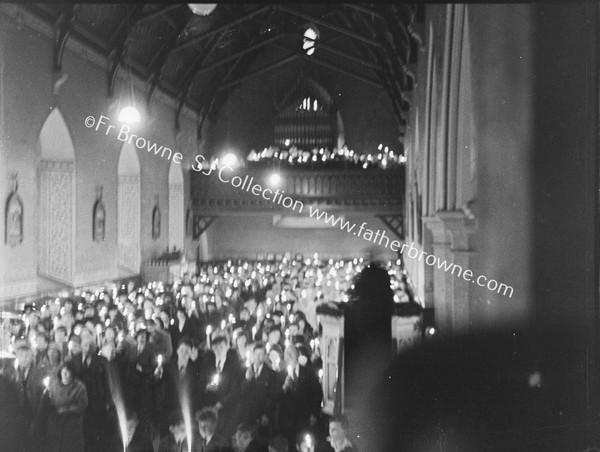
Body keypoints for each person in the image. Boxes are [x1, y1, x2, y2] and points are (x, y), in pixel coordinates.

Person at [46, 361, 89, 452]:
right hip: (57, 424)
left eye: (68, 371)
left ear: (72, 373)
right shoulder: (54, 385)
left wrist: (65, 410)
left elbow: (82, 406)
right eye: (63, 370)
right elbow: (51, 401)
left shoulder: (79, 387)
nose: (65, 373)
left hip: (71, 425)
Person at [240, 342, 276, 428]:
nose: (258, 356)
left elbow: (271, 396)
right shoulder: (245, 370)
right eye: (256, 354)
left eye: (261, 354)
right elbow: (241, 390)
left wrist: (266, 413)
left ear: (264, 356)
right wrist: (247, 379)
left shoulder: (271, 373)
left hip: (262, 413)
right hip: (247, 413)